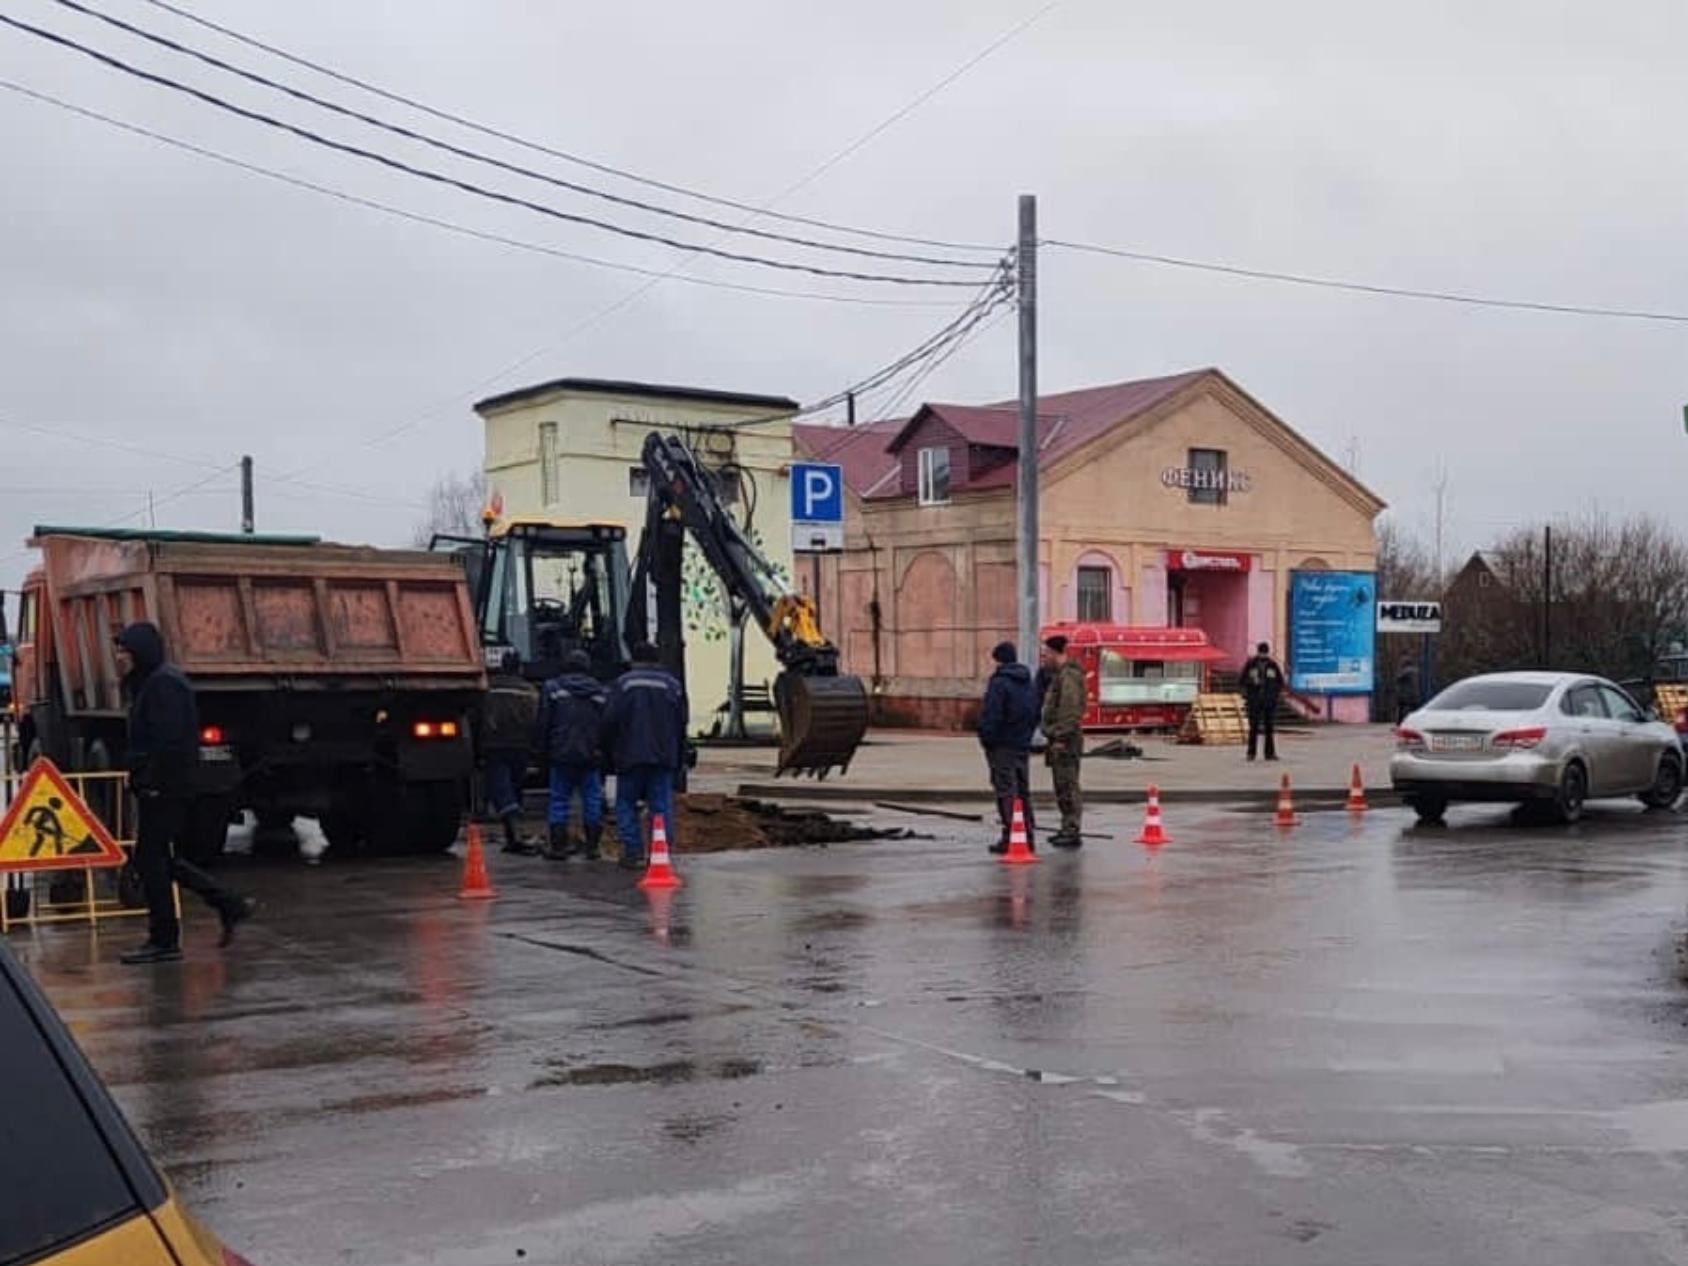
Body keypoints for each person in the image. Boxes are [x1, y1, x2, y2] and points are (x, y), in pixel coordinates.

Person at [113, 623, 251, 966]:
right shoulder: (151, 683)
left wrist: (156, 781)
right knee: (160, 860)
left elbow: (170, 742)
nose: (118, 659)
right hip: (159, 786)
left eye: (123, 652)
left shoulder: (164, 686)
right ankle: (228, 904)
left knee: (151, 860)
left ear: (140, 652)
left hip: (167, 788)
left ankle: (165, 939)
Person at [601, 642, 686, 872]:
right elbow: (681, 723)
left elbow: (609, 720)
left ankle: (633, 852)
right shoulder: (672, 685)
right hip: (663, 755)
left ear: (633, 659)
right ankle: (661, 851)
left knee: (626, 803)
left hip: (630, 755)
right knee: (661, 804)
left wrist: (608, 750)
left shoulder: (623, 684)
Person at [538, 649, 607, 861]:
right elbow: (607, 724)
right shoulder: (600, 691)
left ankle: (558, 847)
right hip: (591, 754)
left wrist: (541, 751)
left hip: (561, 753)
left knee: (559, 799)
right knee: (592, 799)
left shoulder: (552, 689)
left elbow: (544, 722)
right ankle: (593, 847)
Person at [977, 641, 1039, 854]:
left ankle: (1012, 835)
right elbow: (1034, 712)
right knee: (1022, 791)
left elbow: (992, 715)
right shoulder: (1027, 682)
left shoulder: (1000, 683)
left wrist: (986, 737)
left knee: (1006, 791)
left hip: (1002, 745)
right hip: (1021, 743)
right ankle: (1027, 834)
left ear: (998, 660)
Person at [483, 650, 539, 855]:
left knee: (501, 787)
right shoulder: (530, 691)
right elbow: (535, 720)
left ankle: (513, 833)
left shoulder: (489, 688)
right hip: (521, 745)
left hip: (495, 744)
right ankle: (514, 833)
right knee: (515, 786)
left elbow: (479, 715)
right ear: (520, 668)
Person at [1039, 634, 1087, 849]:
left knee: (1067, 785)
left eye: (1045, 655)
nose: (1043, 659)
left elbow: (1070, 709)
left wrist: (1060, 736)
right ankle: (1067, 827)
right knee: (1062, 785)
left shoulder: (1068, 676)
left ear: (1053, 653)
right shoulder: (1061, 675)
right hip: (1060, 738)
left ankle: (1071, 829)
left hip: (1065, 740)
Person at [1241, 641, 1286, 761]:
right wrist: (1251, 684)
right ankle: (1251, 753)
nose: (1263, 656)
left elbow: (1280, 682)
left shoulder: (1272, 665)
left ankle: (1270, 753)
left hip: (1269, 702)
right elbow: (1242, 680)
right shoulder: (1251, 664)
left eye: (1265, 653)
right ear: (1258, 652)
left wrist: (1274, 695)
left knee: (1269, 728)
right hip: (1254, 701)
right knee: (1253, 728)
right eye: (1261, 653)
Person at [1395, 657, 1422, 724]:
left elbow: (1398, 678)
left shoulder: (1405, 671)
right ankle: (1417, 722)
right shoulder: (1416, 671)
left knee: (1401, 709)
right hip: (1415, 694)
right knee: (1415, 709)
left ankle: (1399, 723)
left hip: (1405, 695)